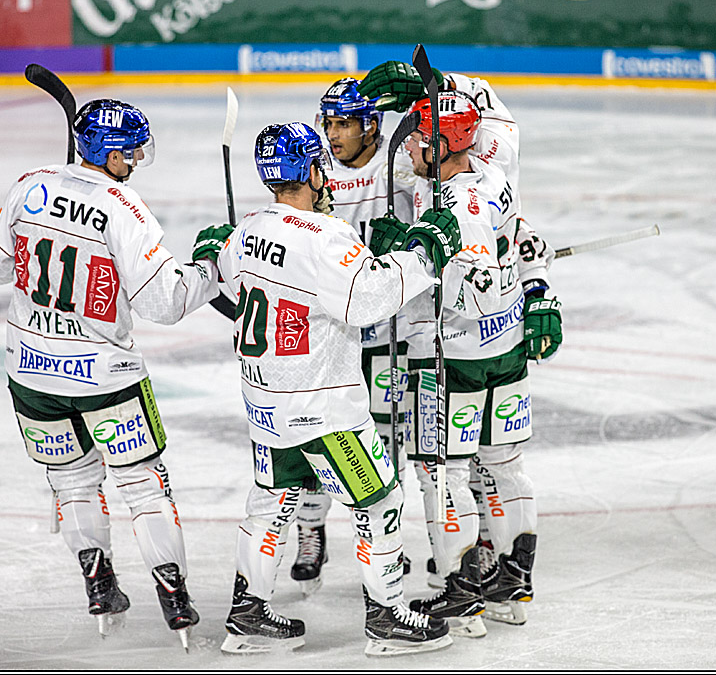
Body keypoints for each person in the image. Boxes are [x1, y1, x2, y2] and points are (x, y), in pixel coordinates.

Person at [0, 98, 225, 648]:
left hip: (32, 376)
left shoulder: (29, 184)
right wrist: (213, 267)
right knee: (143, 488)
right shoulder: (122, 207)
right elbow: (163, 302)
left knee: (71, 485)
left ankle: (99, 584)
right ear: (108, 154)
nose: (135, 161)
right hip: (106, 380)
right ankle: (174, 598)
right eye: (130, 152)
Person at [209, 121, 462, 656]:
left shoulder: (249, 228)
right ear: (309, 170)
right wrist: (422, 255)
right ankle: (388, 615)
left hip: (266, 407)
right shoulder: (326, 236)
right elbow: (369, 301)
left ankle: (248, 613)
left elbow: (226, 282)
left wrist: (212, 250)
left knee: (270, 504)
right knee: (380, 501)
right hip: (325, 410)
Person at [359, 70, 562, 637]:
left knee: (441, 469)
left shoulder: (453, 200)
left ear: (445, 143)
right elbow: (528, 241)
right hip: (508, 347)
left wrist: (406, 255)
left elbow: (465, 282)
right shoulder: (494, 175)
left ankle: (463, 591)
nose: (414, 147)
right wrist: (538, 289)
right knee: (504, 462)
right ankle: (513, 585)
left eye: (423, 138)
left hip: (456, 357)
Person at [286, 77, 420, 596]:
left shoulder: (402, 162)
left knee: (389, 442)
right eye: (329, 122)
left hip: (393, 333)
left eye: (344, 122)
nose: (334, 133)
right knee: (319, 440)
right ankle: (310, 530)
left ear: (372, 124)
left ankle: (389, 543)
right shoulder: (314, 170)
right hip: (332, 337)